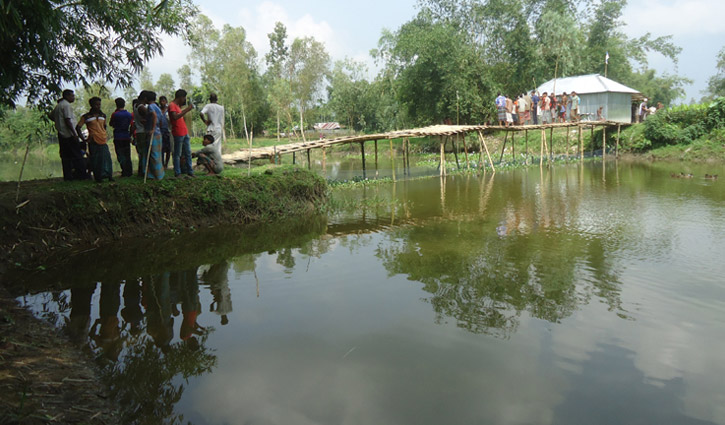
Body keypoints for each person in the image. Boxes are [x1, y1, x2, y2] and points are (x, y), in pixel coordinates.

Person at [49, 89, 88, 180]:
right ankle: (81, 175)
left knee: (65, 156)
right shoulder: (66, 105)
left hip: (61, 134)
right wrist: (74, 133)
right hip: (69, 134)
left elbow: (50, 116)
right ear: (67, 96)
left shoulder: (59, 105)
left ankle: (68, 176)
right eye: (72, 96)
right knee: (77, 155)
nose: (73, 98)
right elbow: (67, 120)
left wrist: (58, 121)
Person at [77, 97, 113, 182]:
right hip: (93, 140)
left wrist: (104, 134)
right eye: (96, 104)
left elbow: (104, 126)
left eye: (99, 104)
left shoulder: (103, 116)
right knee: (95, 159)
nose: (98, 106)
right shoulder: (86, 117)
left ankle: (108, 175)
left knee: (106, 158)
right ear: (91, 105)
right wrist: (83, 139)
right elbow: (78, 127)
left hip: (103, 139)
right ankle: (98, 177)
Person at [168, 89, 195, 177]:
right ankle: (177, 172)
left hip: (184, 131)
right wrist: (187, 109)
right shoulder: (172, 105)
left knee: (188, 153)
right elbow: (175, 117)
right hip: (178, 132)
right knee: (177, 154)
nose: (184, 100)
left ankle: (190, 171)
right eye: (184, 98)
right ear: (180, 97)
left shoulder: (177, 106)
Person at [109, 97, 133, 177]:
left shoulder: (115, 114)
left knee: (120, 154)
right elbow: (132, 125)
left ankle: (124, 171)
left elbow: (111, 123)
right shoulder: (129, 114)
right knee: (127, 154)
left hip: (118, 137)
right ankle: (129, 171)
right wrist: (130, 134)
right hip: (126, 136)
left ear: (116, 105)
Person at [144, 91, 165, 180]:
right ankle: (156, 174)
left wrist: (152, 129)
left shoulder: (151, 106)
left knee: (153, 154)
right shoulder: (157, 107)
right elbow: (161, 120)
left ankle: (157, 175)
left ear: (146, 98)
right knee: (157, 154)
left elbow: (154, 116)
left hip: (154, 133)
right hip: (158, 132)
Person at [133, 91, 149, 177]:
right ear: (145, 98)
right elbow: (149, 117)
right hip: (142, 131)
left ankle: (141, 170)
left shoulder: (135, 105)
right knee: (144, 152)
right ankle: (143, 170)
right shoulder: (141, 107)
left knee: (141, 152)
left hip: (138, 131)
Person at [158, 96, 172, 169]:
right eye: (161, 101)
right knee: (161, 148)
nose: (162, 102)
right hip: (160, 131)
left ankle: (166, 164)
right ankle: (162, 163)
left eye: (163, 101)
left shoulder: (169, 110)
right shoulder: (158, 110)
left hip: (168, 131)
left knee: (168, 149)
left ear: (166, 101)